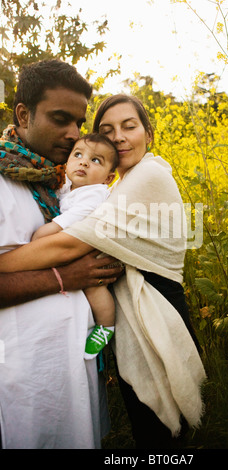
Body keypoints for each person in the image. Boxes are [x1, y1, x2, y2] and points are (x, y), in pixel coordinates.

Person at [0, 94, 206, 449]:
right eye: (108, 130)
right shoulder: (116, 185)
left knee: (162, 436)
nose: (120, 137)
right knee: (148, 430)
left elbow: (69, 245)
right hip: (135, 321)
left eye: (130, 126)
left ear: (149, 133)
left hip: (158, 315)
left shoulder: (149, 176)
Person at [0, 60, 123, 449]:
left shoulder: (61, 182)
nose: (73, 135)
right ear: (23, 114)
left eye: (78, 122)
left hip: (70, 368)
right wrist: (66, 278)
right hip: (23, 379)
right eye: (60, 119)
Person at [32, 132, 119, 359]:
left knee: (94, 287)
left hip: (92, 249)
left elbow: (71, 219)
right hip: (72, 244)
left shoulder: (95, 193)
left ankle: (106, 325)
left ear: (108, 178)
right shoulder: (68, 186)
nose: (84, 162)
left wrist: (42, 234)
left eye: (95, 160)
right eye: (78, 154)